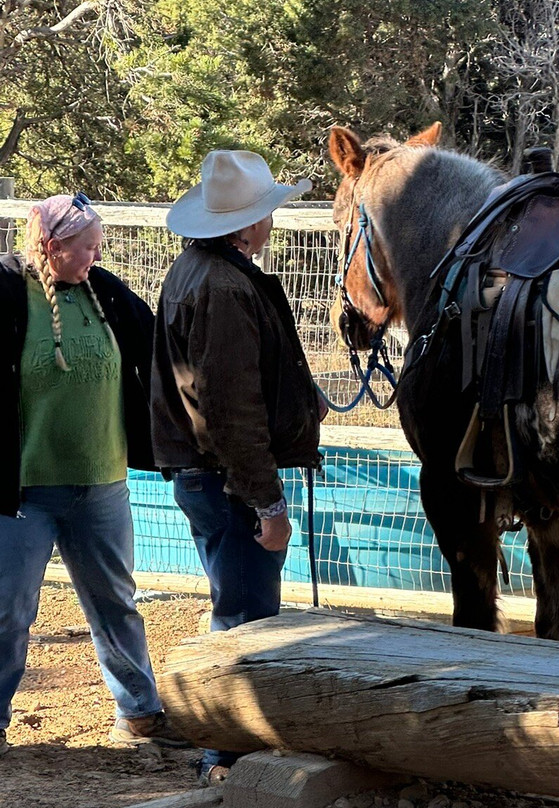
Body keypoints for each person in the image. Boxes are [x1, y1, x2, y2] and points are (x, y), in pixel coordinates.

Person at [151, 151, 323, 785]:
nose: (271, 221)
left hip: (208, 475)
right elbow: (231, 409)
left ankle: (228, 748)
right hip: (229, 481)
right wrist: (267, 505)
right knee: (246, 621)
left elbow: (232, 390)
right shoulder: (224, 287)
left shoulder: (197, 271)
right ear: (249, 224)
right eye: (267, 211)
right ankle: (224, 756)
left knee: (239, 607)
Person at [0, 194, 188, 757]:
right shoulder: (5, 289)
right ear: (53, 246)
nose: (96, 256)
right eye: (87, 247)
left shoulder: (102, 290)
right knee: (8, 610)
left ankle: (139, 713)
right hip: (23, 492)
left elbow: (161, 349)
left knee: (115, 603)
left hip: (102, 482)